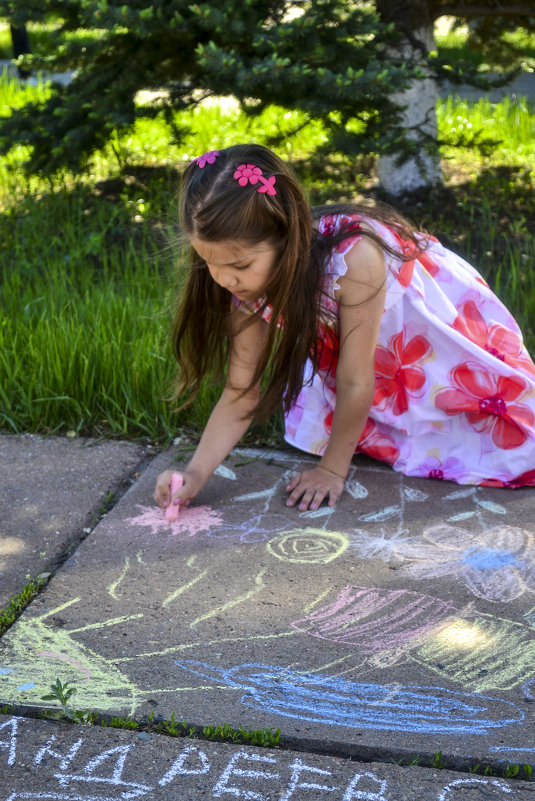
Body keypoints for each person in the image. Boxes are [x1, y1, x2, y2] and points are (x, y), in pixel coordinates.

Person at [155, 143, 535, 513]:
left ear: (286, 238)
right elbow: (240, 392)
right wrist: (195, 472)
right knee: (395, 421)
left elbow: (355, 380)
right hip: (377, 355)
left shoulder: (353, 259)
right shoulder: (244, 284)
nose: (224, 280)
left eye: (239, 266)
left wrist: (332, 470)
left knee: (505, 438)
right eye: (209, 262)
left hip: (429, 339)